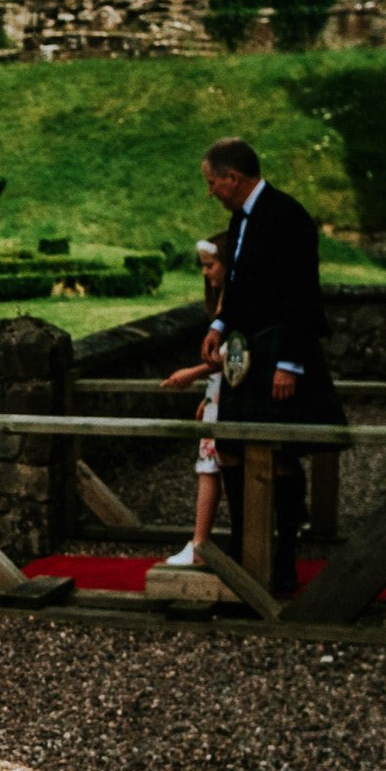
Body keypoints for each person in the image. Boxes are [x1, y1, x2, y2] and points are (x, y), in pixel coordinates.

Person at [200, 137, 345, 594]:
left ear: (233, 178)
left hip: (280, 352)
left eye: (212, 182)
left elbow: (302, 293)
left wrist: (289, 362)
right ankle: (247, 548)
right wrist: (221, 323)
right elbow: (242, 286)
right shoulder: (239, 219)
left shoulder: (288, 216)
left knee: (280, 456)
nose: (210, 191)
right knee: (232, 448)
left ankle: (282, 560)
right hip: (249, 351)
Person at [159, 232, 232, 567]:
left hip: (227, 397)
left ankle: (200, 542)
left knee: (210, 469)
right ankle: (200, 541)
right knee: (209, 468)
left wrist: (193, 373)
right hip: (219, 395)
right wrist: (208, 395)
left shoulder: (235, 305)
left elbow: (233, 355)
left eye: (210, 265)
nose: (206, 272)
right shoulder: (222, 303)